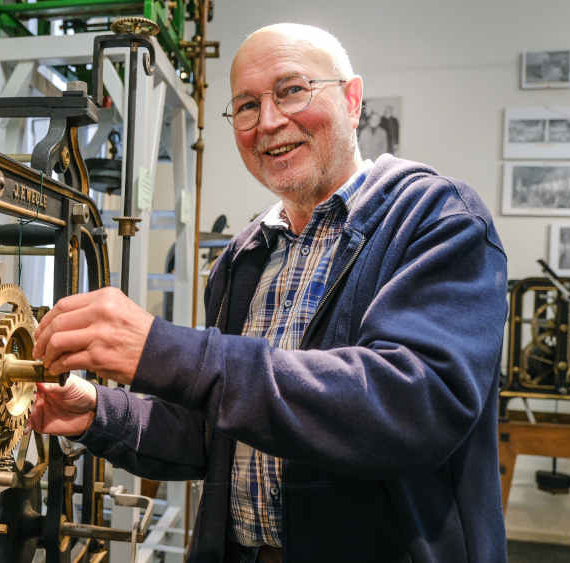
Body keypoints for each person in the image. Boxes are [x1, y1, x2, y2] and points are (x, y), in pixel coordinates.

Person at [30, 22, 508, 563]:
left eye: (291, 90)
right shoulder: (245, 257)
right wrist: (97, 412)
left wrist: (167, 351)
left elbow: (410, 404)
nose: (270, 122)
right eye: (247, 106)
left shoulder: (436, 219)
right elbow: (213, 439)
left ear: (353, 100)